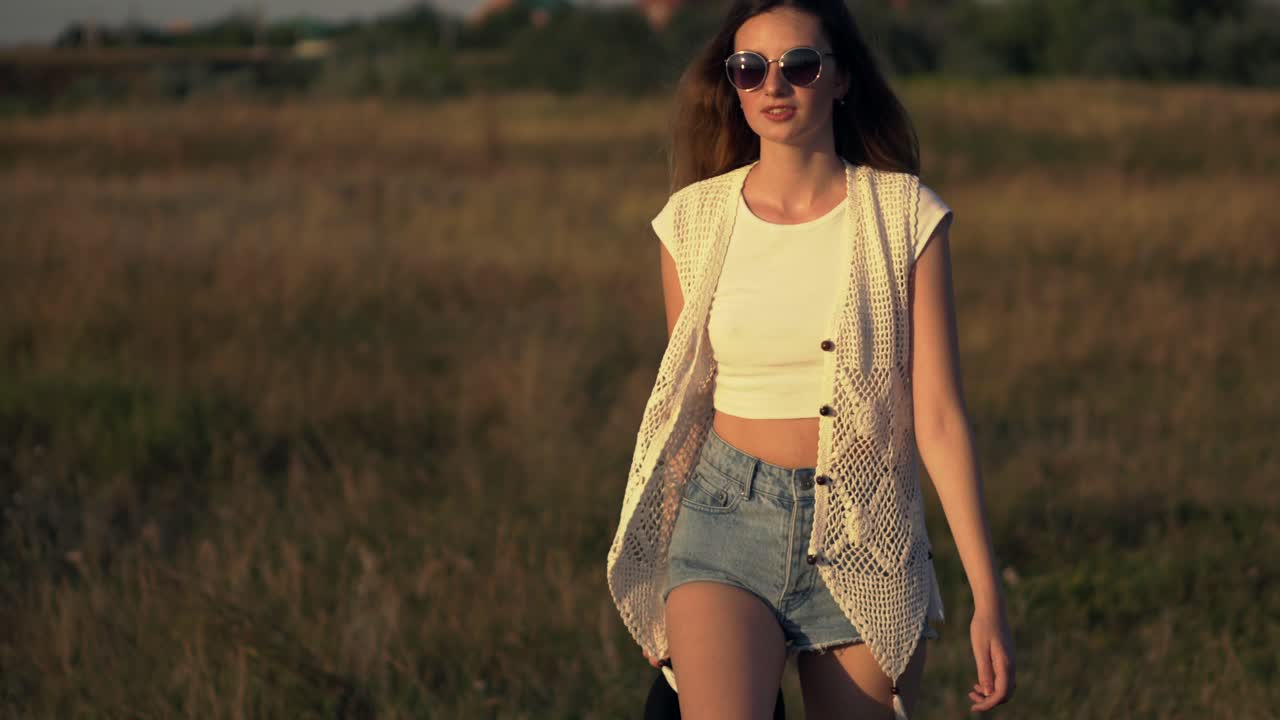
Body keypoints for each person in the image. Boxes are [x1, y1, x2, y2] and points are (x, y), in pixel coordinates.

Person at [605, 1, 1016, 718]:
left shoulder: (904, 214)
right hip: (722, 523)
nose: (774, 86)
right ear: (732, 85)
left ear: (841, 79)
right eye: (749, 69)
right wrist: (661, 566)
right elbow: (684, 407)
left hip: (869, 527)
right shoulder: (692, 222)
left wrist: (988, 597)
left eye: (799, 66)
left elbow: (941, 418)